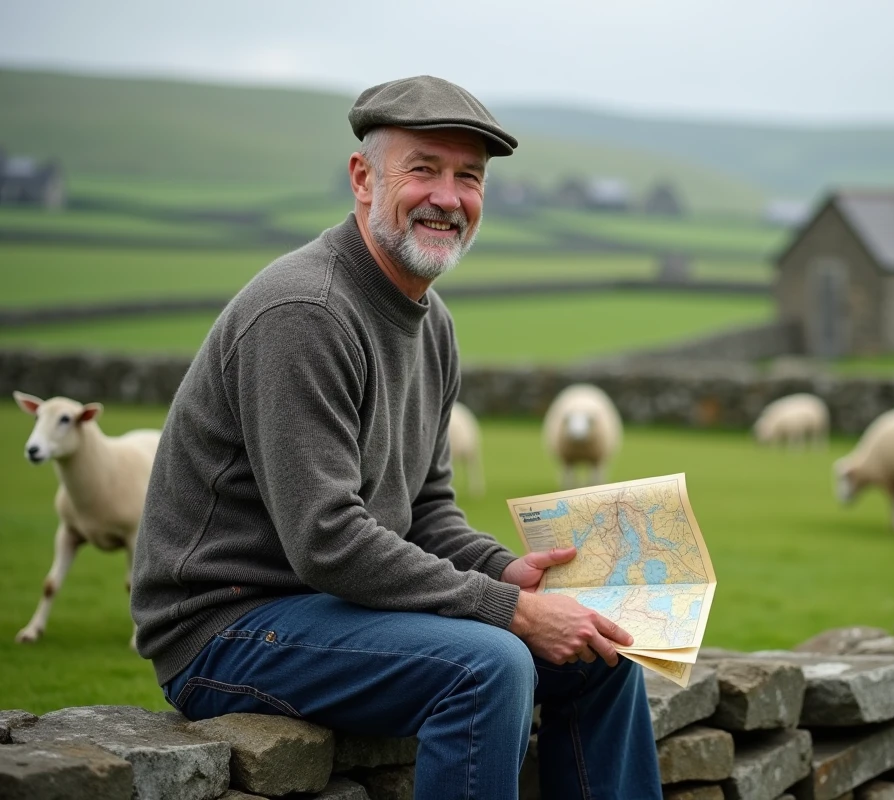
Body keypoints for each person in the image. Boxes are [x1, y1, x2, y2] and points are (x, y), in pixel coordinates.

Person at [130, 75, 663, 800]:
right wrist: (511, 611)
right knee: (489, 664)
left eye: (468, 177)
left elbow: (427, 509)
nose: (448, 196)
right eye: (423, 169)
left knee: (603, 653)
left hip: (333, 608)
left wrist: (508, 572)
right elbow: (327, 539)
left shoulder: (431, 322)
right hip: (228, 624)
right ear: (362, 178)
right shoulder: (305, 312)